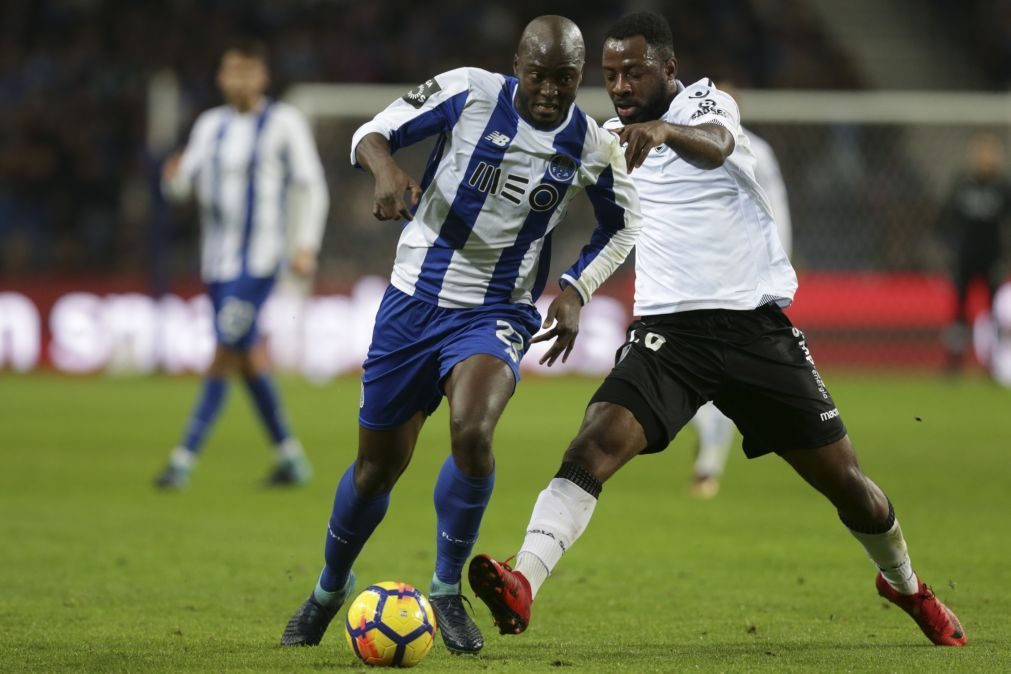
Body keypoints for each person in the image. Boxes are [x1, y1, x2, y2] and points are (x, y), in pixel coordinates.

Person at [469, 11, 967, 648]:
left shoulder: (708, 103)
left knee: (850, 488)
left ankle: (904, 583)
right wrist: (573, 290)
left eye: (634, 72)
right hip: (670, 337)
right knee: (592, 446)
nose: (619, 85)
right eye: (611, 74)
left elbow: (718, 147)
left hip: (755, 332)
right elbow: (592, 220)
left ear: (669, 70)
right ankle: (524, 580)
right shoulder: (603, 138)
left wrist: (664, 130)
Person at [279, 15, 642, 655]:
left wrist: (577, 288)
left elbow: (622, 226)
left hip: (496, 311)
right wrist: (385, 170)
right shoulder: (470, 92)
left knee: (473, 432)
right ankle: (329, 590)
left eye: (564, 79)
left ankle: (446, 591)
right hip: (413, 301)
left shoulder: (592, 144)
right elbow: (374, 131)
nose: (551, 91)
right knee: (375, 470)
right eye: (538, 75)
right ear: (517, 65)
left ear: (578, 75)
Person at [155, 39, 329, 489]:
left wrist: (305, 243)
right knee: (247, 358)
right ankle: (291, 458)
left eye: (249, 72)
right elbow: (182, 188)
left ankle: (182, 459)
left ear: (263, 77)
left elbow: (312, 186)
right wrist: (171, 180)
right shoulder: (209, 126)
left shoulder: (284, 123)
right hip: (216, 264)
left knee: (222, 354)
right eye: (232, 71)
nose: (240, 80)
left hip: (259, 263)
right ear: (221, 77)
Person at [689, 79, 794, 499]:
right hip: (695, 277)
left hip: (742, 281)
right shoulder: (687, 146)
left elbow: (776, 209)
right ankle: (710, 448)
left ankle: (710, 460)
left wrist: (776, 268)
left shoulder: (757, 152)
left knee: (721, 372)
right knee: (697, 371)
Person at [938, 131, 1011, 372]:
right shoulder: (963, 186)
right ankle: (955, 361)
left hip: (991, 258)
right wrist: (950, 251)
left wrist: (1004, 257)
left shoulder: (1002, 188)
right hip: (964, 258)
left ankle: (993, 362)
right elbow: (945, 221)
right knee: (959, 310)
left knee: (992, 313)